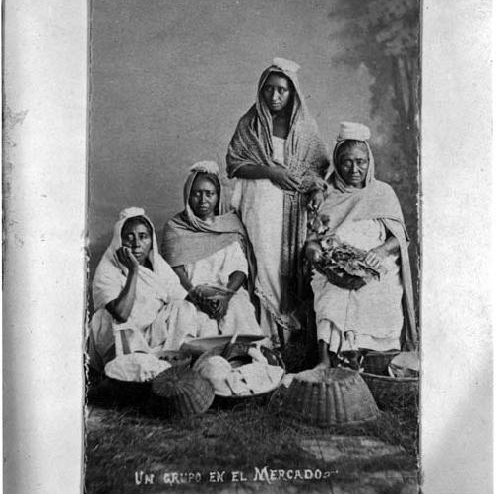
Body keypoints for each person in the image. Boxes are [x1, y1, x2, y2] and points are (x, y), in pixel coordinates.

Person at [226, 58, 329, 346]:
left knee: (291, 266)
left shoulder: (306, 127)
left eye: (281, 91)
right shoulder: (251, 123)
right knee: (265, 263)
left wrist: (315, 190)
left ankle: (292, 339)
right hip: (259, 207)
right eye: (269, 90)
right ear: (261, 90)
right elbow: (235, 163)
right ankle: (268, 337)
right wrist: (270, 172)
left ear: (293, 92)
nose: (274, 97)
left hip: (293, 211)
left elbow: (317, 170)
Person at [304, 122, 417, 368]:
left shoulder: (382, 192)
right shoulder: (327, 195)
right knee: (334, 289)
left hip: (377, 261)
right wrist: (320, 260)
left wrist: (378, 252)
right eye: (347, 162)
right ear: (336, 162)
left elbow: (399, 238)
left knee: (379, 287)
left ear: (369, 162)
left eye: (361, 162)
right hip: (335, 263)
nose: (355, 169)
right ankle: (328, 359)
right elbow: (312, 242)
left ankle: (373, 357)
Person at [88, 207, 198, 372]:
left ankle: (168, 361)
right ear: (119, 241)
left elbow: (179, 297)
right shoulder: (107, 269)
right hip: (124, 337)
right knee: (107, 317)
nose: (136, 244)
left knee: (185, 308)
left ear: (151, 240)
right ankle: (133, 369)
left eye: (143, 237)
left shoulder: (157, 265)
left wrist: (202, 297)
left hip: (153, 333)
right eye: (129, 237)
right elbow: (121, 314)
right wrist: (133, 271)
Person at [161, 161, 263, 337]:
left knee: (240, 308)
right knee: (196, 321)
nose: (203, 200)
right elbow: (174, 270)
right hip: (190, 294)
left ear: (218, 197)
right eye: (196, 194)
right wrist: (196, 297)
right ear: (187, 196)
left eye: (209, 194)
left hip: (224, 293)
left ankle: (245, 356)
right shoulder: (175, 227)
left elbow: (239, 268)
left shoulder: (229, 225)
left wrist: (226, 296)